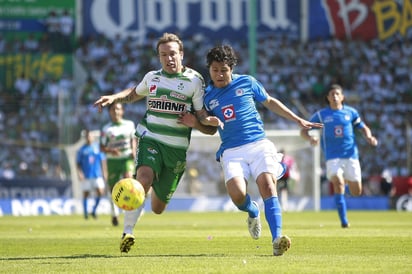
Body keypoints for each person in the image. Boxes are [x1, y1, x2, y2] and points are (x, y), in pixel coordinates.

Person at [93, 32, 217, 253]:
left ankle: (147, 195)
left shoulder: (194, 80)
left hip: (176, 150)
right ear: (159, 57)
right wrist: (114, 97)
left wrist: (201, 122)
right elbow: (133, 93)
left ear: (181, 54)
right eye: (163, 55)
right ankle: (127, 232)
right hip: (151, 138)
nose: (168, 59)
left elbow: (203, 119)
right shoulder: (152, 78)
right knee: (142, 179)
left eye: (172, 54)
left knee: (158, 208)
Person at [199, 45, 323, 256]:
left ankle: (277, 239)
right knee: (238, 196)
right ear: (209, 70)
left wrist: (297, 119)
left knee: (267, 185)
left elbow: (270, 102)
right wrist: (204, 119)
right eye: (215, 70)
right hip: (231, 150)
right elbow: (202, 119)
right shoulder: (207, 96)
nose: (219, 74)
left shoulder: (247, 82)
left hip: (258, 144)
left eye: (224, 70)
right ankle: (252, 210)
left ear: (232, 69)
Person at [300, 84, 378, 228]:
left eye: (337, 94)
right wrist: (310, 138)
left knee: (356, 192)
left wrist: (369, 137)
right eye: (332, 94)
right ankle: (344, 221)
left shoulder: (351, 113)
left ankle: (346, 180)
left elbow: (363, 127)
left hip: (351, 156)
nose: (335, 97)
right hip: (332, 157)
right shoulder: (321, 115)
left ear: (342, 97)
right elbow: (303, 130)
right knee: (338, 182)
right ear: (328, 98)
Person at [100, 102, 137, 226]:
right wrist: (111, 150)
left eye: (118, 109)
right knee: (113, 188)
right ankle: (114, 213)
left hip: (126, 159)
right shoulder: (106, 129)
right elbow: (101, 147)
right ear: (110, 112)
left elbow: (133, 139)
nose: (116, 111)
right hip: (112, 161)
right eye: (113, 109)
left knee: (129, 181)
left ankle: (130, 210)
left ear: (123, 111)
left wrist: (133, 151)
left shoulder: (130, 125)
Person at [76, 130, 107, 220]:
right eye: (87, 136)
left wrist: (105, 172)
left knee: (100, 192)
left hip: (97, 174)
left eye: (90, 136)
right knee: (86, 194)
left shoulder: (97, 147)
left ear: (93, 137)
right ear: (85, 138)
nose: (89, 138)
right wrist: (80, 173)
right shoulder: (82, 150)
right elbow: (78, 163)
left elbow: (103, 160)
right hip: (86, 175)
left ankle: (93, 210)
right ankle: (85, 214)